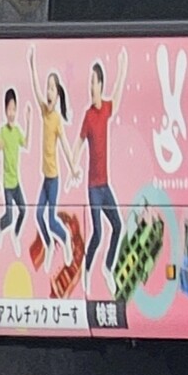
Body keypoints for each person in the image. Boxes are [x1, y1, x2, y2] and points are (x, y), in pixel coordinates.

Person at [80, 49, 127, 287]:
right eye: (90, 82)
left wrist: (122, 69)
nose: (91, 86)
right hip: (93, 187)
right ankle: (86, 272)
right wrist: (73, 170)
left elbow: (116, 97)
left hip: (105, 185)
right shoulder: (88, 116)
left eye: (93, 82)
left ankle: (108, 267)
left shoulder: (105, 109)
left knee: (118, 226)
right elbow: (79, 145)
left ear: (100, 84)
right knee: (97, 233)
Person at [27, 48, 76, 266]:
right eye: (48, 88)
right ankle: (48, 244)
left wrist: (73, 168)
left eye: (52, 89)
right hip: (45, 178)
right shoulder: (44, 112)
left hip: (54, 178)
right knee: (38, 215)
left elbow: (64, 145)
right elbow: (35, 89)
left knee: (50, 218)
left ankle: (65, 241)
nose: (48, 92)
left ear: (58, 95)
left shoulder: (56, 118)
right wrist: (31, 64)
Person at [0, 88, 30, 253]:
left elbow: (26, 144)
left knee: (23, 209)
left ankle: (15, 235)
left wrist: (28, 122)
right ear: (5, 111)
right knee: (9, 216)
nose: (11, 113)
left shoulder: (17, 131)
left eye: (14, 109)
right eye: (9, 109)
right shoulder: (3, 130)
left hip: (16, 182)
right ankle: (0, 228)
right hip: (7, 184)